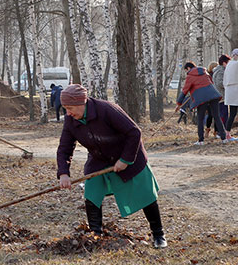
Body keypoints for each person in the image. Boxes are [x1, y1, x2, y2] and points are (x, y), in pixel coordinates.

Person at [57, 84, 167, 248]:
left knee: (146, 195)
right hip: (99, 160)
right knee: (92, 193)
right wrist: (64, 173)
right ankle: (96, 237)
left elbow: (134, 132)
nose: (68, 113)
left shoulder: (107, 109)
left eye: (70, 108)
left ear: (82, 102)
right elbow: (65, 148)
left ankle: (159, 235)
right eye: (65, 108)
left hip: (129, 155)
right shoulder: (71, 120)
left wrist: (125, 159)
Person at [178, 62, 227, 144]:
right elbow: (211, 82)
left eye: (186, 70)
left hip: (201, 98)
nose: (187, 72)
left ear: (189, 68)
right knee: (217, 116)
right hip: (213, 95)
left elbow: (184, 91)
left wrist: (179, 103)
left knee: (200, 118)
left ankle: (201, 140)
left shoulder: (190, 76)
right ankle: (224, 138)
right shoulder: (205, 72)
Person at [211, 54, 230, 130]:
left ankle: (220, 131)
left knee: (221, 114)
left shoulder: (217, 70)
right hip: (221, 96)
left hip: (218, 96)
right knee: (223, 115)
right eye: (228, 62)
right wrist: (228, 85)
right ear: (224, 63)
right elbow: (220, 83)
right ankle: (222, 131)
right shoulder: (221, 71)